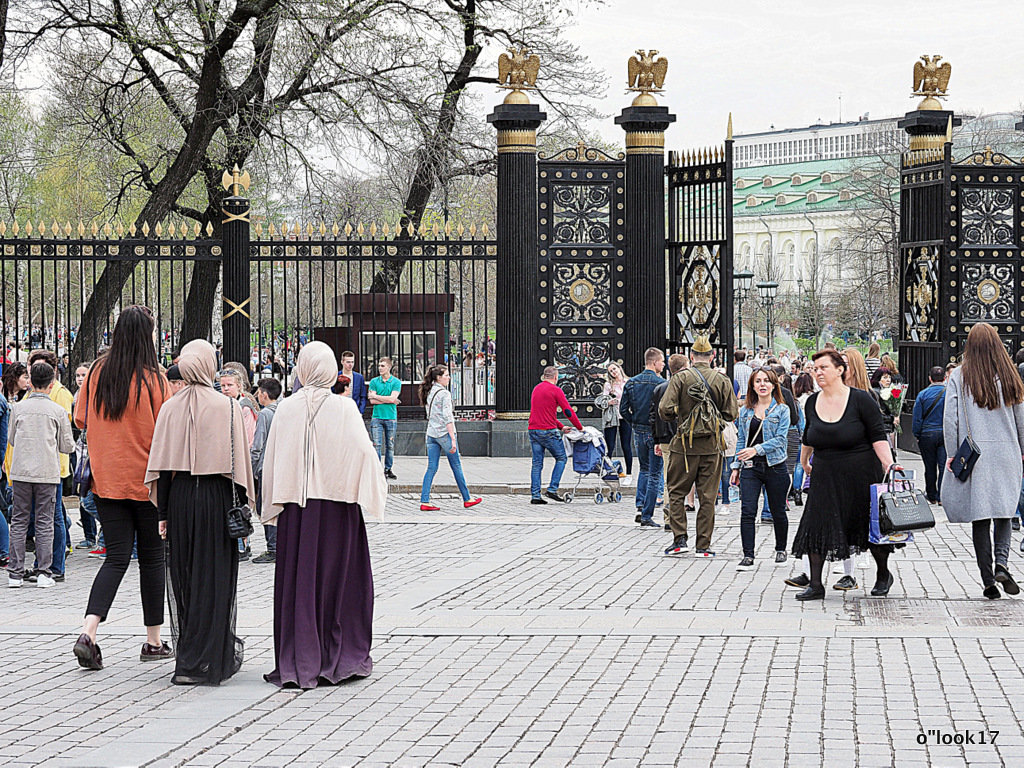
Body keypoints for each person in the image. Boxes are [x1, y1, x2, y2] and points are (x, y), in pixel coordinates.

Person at [260, 341, 387, 689]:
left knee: (300, 580)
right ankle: (338, 651)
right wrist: (371, 492)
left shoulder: (286, 409)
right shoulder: (344, 409)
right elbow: (364, 454)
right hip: (337, 507)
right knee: (339, 579)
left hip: (297, 512)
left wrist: (273, 502)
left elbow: (272, 460)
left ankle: (300, 654)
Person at [144, 340, 256, 685]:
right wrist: (242, 505)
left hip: (179, 501)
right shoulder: (226, 406)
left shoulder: (170, 408)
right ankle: (214, 652)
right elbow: (238, 467)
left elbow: (162, 468)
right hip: (216, 498)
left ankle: (189, 657)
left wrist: (163, 513)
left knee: (185, 574)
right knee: (216, 575)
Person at [72, 305, 172, 671]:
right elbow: (167, 430)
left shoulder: (98, 372)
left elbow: (80, 418)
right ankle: (153, 641)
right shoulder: (157, 380)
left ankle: (89, 631)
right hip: (147, 484)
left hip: (106, 481)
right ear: (148, 335)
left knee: (115, 559)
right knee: (152, 561)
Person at [789, 349, 901, 601]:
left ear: (840, 370)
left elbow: (878, 437)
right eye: (815, 368)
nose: (817, 372)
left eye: (823, 367)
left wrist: (890, 465)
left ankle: (883, 574)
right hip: (825, 472)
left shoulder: (861, 400)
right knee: (816, 523)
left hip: (861, 472)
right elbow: (809, 435)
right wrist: (805, 461)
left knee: (867, 525)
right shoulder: (811, 402)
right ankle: (816, 584)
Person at [941, 323, 1024, 600]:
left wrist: (952, 452)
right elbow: (1022, 419)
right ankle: (1002, 562)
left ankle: (988, 579)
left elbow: (950, 417)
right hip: (1007, 453)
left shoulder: (961, 376)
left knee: (981, 516)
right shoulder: (1010, 374)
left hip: (975, 454)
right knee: (1004, 511)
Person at [660, 336, 738, 557]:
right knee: (707, 497)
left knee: (676, 492)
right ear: (712, 356)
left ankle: (679, 539)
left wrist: (682, 415)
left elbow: (665, 409)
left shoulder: (680, 378)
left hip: (683, 446)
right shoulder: (722, 380)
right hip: (712, 447)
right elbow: (732, 413)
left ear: (691, 357)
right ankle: (703, 546)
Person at [6, 362, 75, 588]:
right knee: (45, 522)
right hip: (47, 473)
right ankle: (44, 572)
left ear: (31, 382)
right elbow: (67, 446)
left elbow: (12, 439)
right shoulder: (57, 411)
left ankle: (15, 573)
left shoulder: (18, 408)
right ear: (51, 382)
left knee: (19, 521)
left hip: (21, 471)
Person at [731, 368, 791, 570]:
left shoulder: (782, 410)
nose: (762, 385)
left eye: (766, 381)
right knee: (748, 510)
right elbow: (741, 440)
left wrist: (757, 449)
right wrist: (736, 466)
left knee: (777, 511)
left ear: (774, 385)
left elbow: (781, 440)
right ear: (752, 385)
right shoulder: (746, 411)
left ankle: (781, 548)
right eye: (758, 381)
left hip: (775, 465)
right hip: (750, 468)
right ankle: (748, 555)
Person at [418, 365, 481, 511]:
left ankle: (424, 500)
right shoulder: (444, 394)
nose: (449, 377)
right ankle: (467, 498)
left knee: (431, 467)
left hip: (431, 433)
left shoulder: (429, 391)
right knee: (456, 465)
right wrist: (453, 437)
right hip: (444, 434)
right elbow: (448, 417)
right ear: (438, 378)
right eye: (446, 375)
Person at [620, 348, 667, 528]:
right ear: (654, 362)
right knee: (655, 473)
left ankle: (640, 506)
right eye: (662, 361)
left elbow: (623, 410)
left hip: (638, 430)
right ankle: (647, 514)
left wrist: (634, 422)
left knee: (644, 469)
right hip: (655, 432)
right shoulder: (662, 384)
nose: (663, 364)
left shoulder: (632, 383)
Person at [527, 366, 583, 504]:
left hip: (533, 430)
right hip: (548, 432)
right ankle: (552, 489)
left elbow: (543, 413)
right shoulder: (556, 390)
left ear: (544, 376)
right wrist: (579, 427)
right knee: (561, 458)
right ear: (556, 377)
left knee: (537, 463)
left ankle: (535, 495)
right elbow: (568, 411)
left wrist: (561, 426)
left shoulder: (536, 389)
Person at [650, 354, 687, 531]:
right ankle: (676, 515)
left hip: (665, 438)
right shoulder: (686, 387)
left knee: (668, 478)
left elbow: (653, 416)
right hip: (683, 438)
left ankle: (669, 517)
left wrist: (657, 439)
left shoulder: (660, 388)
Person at [251, 377, 282, 564]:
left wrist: (253, 468)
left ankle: (272, 547)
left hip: (265, 466)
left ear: (264, 394)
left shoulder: (265, 414)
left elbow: (257, 446)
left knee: (265, 508)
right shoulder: (283, 410)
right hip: (280, 464)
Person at [913, 366, 947, 505]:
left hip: (927, 434)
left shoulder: (923, 394)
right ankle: (941, 496)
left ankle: (931, 494)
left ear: (930, 378)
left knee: (929, 465)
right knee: (944, 465)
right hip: (944, 433)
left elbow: (917, 417)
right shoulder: (948, 393)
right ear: (945, 378)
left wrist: (917, 433)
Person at [595, 362, 633, 485]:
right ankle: (608, 472)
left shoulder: (629, 382)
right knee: (609, 446)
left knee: (626, 446)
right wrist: (609, 402)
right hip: (612, 417)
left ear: (619, 368)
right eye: (611, 371)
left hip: (625, 417)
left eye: (614, 369)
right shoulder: (608, 385)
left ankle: (629, 474)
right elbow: (603, 400)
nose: (613, 372)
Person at [368, 357, 402, 480]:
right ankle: (377, 469)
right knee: (377, 444)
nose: (380, 368)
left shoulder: (396, 382)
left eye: (382, 366)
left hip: (390, 417)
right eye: (379, 366)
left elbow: (393, 398)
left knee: (390, 445)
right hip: (377, 416)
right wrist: (389, 400)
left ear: (389, 367)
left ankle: (388, 469)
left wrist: (377, 397)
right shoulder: (374, 381)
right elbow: (371, 401)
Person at [791, 372, 815, 505]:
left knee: (795, 463)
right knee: (802, 463)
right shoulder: (813, 397)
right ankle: (799, 489)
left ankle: (796, 489)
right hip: (808, 432)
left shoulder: (796, 399)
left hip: (796, 432)